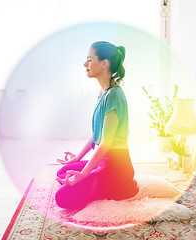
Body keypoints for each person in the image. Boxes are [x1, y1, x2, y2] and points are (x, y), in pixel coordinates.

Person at [55, 41, 138, 210]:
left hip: (117, 167)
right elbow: (96, 135)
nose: (85, 64)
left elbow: (106, 143)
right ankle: (100, 183)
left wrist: (84, 174)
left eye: (89, 59)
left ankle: (122, 187)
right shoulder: (103, 92)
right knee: (63, 172)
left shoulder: (114, 94)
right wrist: (77, 158)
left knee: (62, 197)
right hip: (103, 162)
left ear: (104, 63)